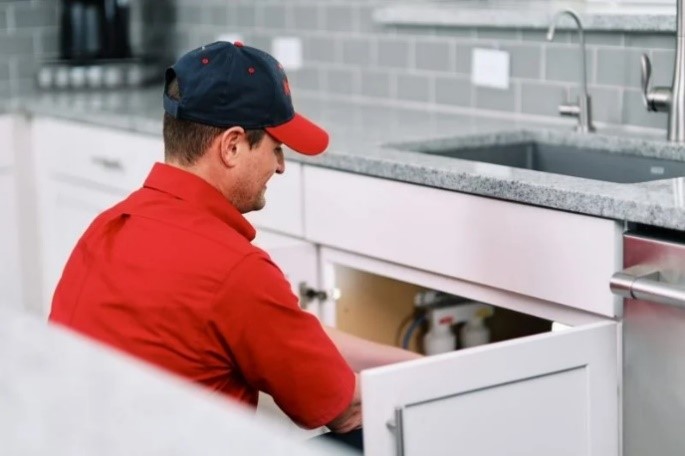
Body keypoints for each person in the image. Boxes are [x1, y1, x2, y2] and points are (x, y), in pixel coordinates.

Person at [48, 41, 421, 449]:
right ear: (232, 146)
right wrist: (448, 388)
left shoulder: (106, 229)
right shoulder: (232, 268)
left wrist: (412, 365)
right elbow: (345, 409)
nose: (280, 166)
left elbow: (285, 331)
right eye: (276, 148)